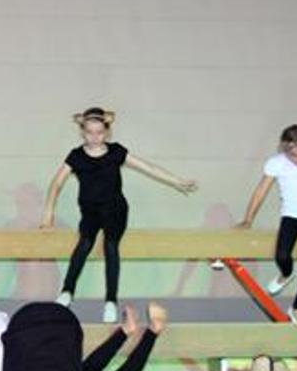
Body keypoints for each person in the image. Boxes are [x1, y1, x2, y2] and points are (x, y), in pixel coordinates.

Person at [41, 107, 198, 322]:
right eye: (90, 132)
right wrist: (48, 215)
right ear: (83, 132)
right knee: (84, 243)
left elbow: (148, 167)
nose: (95, 137)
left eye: (99, 132)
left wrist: (176, 181)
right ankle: (67, 291)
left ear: (107, 132)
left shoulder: (116, 152)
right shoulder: (76, 156)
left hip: (115, 209)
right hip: (90, 211)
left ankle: (111, 301)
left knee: (110, 246)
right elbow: (56, 184)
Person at [236, 123, 297, 323]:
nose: (295, 151)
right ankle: (286, 274)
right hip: (291, 216)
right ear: (285, 146)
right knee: (282, 255)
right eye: (290, 146)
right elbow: (261, 191)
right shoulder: (276, 163)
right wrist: (248, 219)